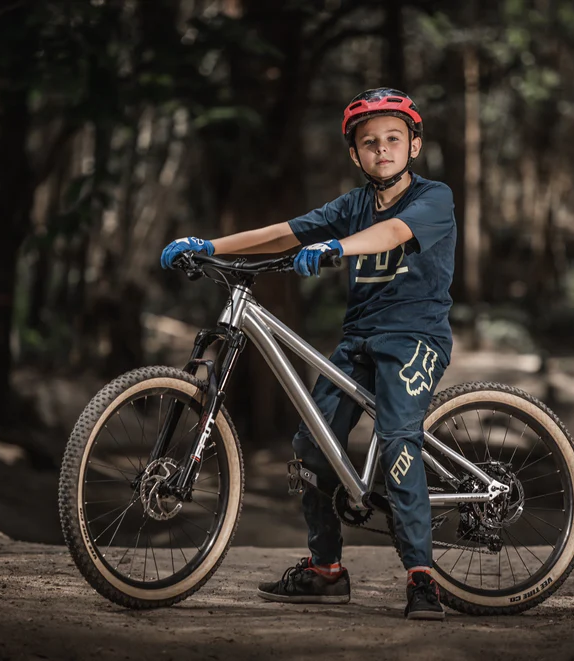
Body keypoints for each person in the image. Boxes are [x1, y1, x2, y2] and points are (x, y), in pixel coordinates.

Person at [160, 88, 455, 620]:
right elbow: (285, 233)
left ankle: (422, 578)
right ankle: (326, 570)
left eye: (393, 139)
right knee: (312, 445)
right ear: (355, 154)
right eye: (369, 142)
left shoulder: (434, 197)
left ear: (414, 146)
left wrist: (337, 247)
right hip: (359, 340)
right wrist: (210, 246)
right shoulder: (353, 205)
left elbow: (393, 232)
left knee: (398, 442)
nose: (382, 150)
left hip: (414, 338)